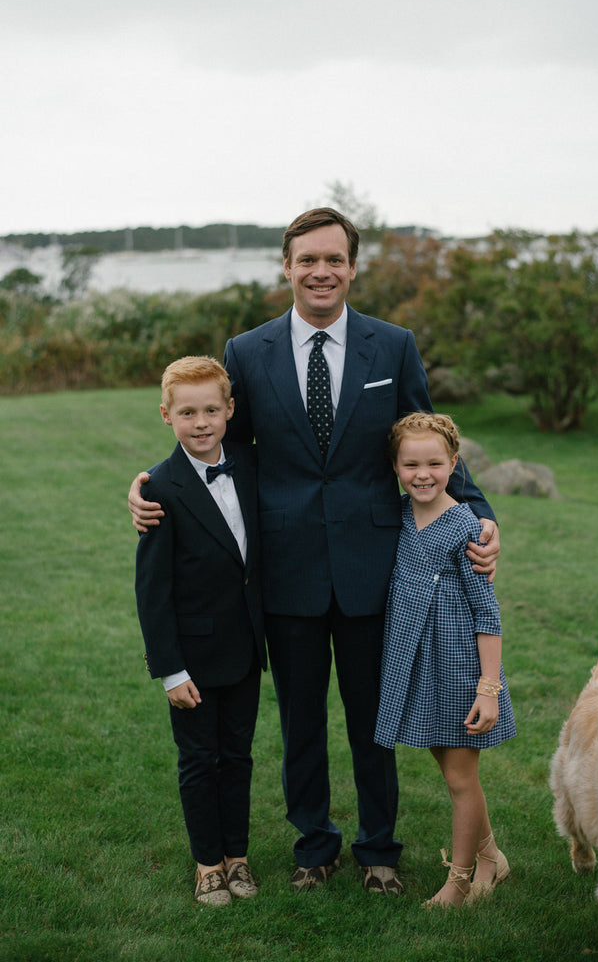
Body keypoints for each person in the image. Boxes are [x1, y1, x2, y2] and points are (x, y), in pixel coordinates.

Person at [129, 207, 500, 896]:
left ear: (352, 267)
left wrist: (478, 511)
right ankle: (314, 846)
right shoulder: (247, 351)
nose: (321, 271)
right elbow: (219, 449)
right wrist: (150, 483)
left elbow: (427, 434)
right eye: (307, 260)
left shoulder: (392, 346)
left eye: (334, 259)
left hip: (372, 568)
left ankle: (379, 851)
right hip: (285, 570)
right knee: (301, 722)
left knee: (373, 721)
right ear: (288, 267)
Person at [134, 356, 267, 906]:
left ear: (231, 410)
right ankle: (207, 863)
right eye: (187, 412)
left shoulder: (249, 463)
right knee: (198, 760)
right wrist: (170, 670)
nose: (202, 422)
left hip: (245, 648)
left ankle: (238, 856)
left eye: (212, 409)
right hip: (191, 657)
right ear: (166, 416)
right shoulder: (160, 488)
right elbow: (152, 591)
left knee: (238, 755)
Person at [375, 412, 515, 907]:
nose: (423, 474)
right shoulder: (398, 515)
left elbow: (488, 614)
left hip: (458, 668)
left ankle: (459, 880)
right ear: (395, 466)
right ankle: (491, 856)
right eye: (410, 464)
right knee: (454, 771)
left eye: (435, 463)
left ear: (454, 464)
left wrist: (488, 688)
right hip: (418, 663)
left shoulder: (465, 527)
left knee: (460, 778)